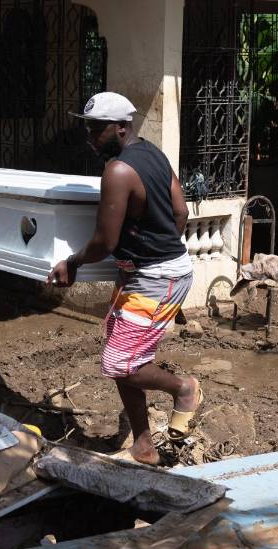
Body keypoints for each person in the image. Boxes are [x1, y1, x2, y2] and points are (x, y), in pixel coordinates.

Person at [48, 92, 202, 466]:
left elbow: (104, 241)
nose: (89, 135)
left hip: (156, 279)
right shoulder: (153, 154)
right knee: (126, 354)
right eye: (87, 126)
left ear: (120, 127)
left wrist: (73, 262)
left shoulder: (117, 171)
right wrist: (152, 246)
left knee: (121, 363)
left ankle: (185, 389)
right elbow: (180, 212)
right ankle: (144, 446)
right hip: (153, 273)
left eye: (96, 128)